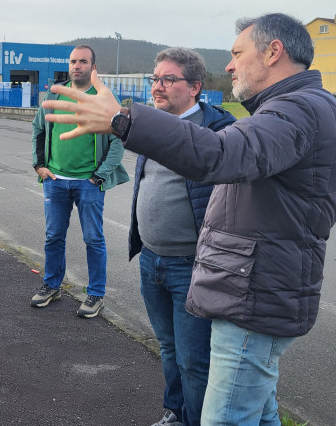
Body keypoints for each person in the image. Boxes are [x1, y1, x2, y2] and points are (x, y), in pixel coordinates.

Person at [41, 13, 336, 425]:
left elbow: (220, 156)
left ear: (274, 51)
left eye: (238, 53)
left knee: (225, 415)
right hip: (241, 282)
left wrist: (123, 121)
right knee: (258, 412)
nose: (230, 64)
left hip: (253, 293)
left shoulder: (297, 110)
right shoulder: (290, 109)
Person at [131, 48, 236, 426]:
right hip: (151, 259)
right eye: (155, 78)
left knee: (195, 360)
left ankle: (197, 420)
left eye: (167, 79)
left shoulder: (219, 133)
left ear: (194, 87)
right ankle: (177, 413)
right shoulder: (154, 127)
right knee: (168, 347)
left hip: (192, 266)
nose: (157, 87)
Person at [30, 44, 129, 318]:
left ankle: (95, 294)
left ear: (93, 67)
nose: (77, 66)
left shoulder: (104, 99)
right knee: (53, 237)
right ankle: (52, 285)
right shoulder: (55, 93)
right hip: (55, 180)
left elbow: (118, 142)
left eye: (83, 61)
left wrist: (100, 175)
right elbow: (38, 129)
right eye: (73, 61)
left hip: (89, 183)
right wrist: (39, 165)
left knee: (93, 239)